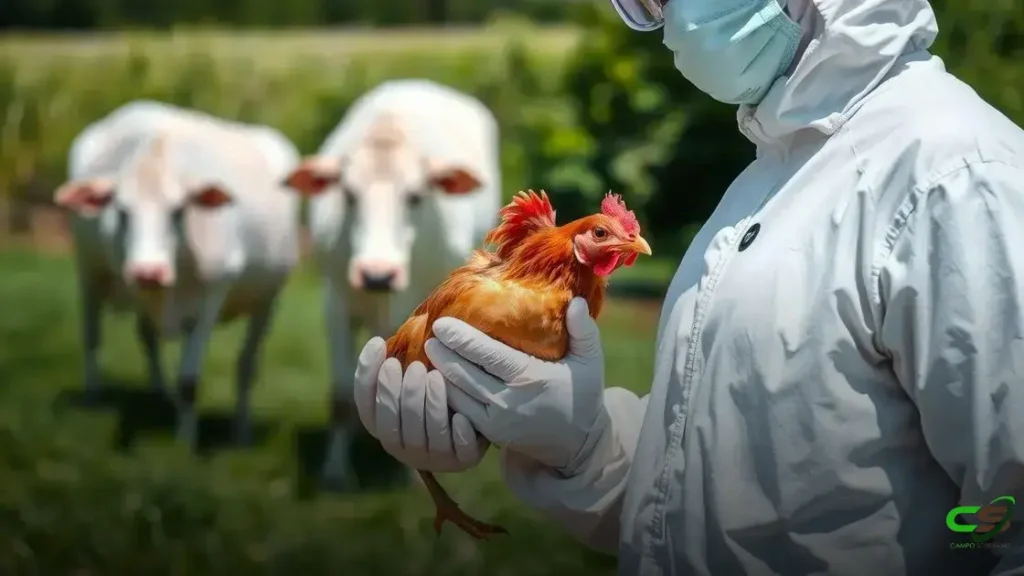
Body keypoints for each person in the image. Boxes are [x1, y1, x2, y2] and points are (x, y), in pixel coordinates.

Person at [353, 0, 1024, 573]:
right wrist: (580, 441)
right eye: (639, 5)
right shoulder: (769, 180)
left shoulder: (956, 177)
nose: (664, 18)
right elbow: (730, 486)